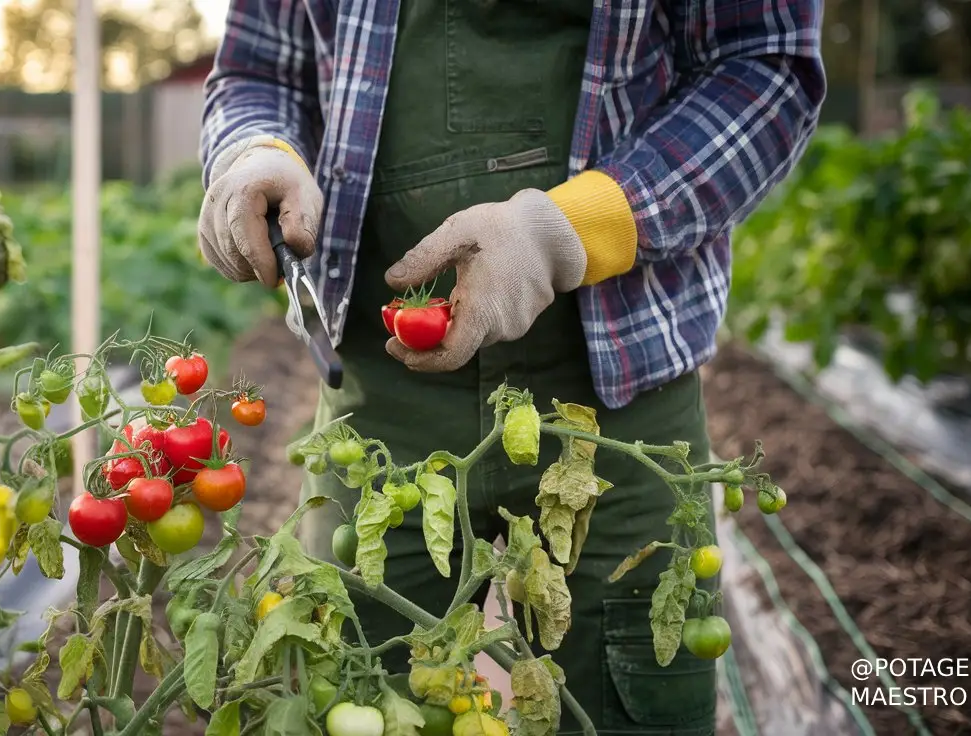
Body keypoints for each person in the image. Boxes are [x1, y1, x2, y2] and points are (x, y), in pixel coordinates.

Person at [197, 0, 824, 732]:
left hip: (618, 395)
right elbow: (259, 69)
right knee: (350, 685)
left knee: (633, 700)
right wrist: (255, 150)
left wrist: (569, 231)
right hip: (379, 394)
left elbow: (766, 65)